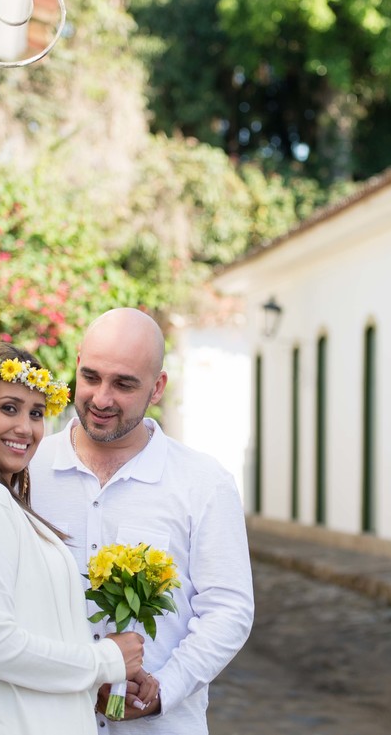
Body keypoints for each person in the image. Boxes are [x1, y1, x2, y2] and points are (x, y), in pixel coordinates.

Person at [29, 308, 255, 734]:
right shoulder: (27, 472)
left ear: (157, 387)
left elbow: (229, 610)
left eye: (124, 384)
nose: (101, 399)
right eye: (91, 377)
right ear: (76, 364)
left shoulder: (203, 483)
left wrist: (161, 692)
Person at [0, 341, 156, 735]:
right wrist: (105, 659)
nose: (26, 428)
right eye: (8, 408)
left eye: (36, 413)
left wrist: (97, 675)